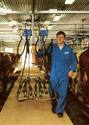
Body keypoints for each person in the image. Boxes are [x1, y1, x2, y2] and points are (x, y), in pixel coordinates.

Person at [49, 31, 77, 118]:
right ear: (56, 38)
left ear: (64, 38)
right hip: (54, 73)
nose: (60, 38)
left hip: (64, 74)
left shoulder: (68, 49)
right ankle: (54, 103)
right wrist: (36, 53)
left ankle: (60, 110)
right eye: (58, 37)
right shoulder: (52, 48)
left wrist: (72, 70)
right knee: (52, 90)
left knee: (63, 93)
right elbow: (43, 53)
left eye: (61, 37)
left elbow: (73, 60)